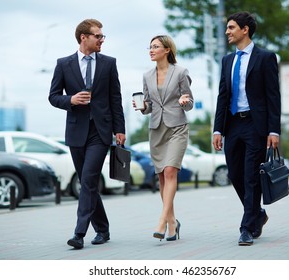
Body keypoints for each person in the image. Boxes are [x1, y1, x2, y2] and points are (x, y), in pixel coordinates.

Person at [48, 19, 126, 249]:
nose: (102, 40)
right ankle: (102, 229)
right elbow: (53, 96)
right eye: (98, 36)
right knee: (87, 181)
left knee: (89, 178)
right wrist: (70, 100)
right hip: (75, 131)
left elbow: (115, 98)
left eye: (103, 36)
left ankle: (79, 233)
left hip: (100, 131)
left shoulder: (109, 63)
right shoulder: (63, 64)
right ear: (84, 37)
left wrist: (119, 129)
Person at [212, 11, 281, 246]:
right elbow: (223, 96)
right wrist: (217, 129)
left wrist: (274, 131)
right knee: (235, 174)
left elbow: (273, 96)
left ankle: (246, 228)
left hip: (256, 124)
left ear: (245, 30)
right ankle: (258, 215)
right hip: (233, 124)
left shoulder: (265, 58)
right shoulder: (227, 60)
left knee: (251, 175)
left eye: (231, 27)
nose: (227, 32)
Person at [134, 35, 193, 241]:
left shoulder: (180, 72)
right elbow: (148, 104)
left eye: (156, 46)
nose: (151, 50)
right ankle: (173, 222)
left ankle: (162, 220)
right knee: (161, 176)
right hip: (156, 129)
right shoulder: (147, 75)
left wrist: (185, 101)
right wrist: (142, 107)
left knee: (170, 171)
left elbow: (189, 100)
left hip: (177, 126)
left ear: (167, 50)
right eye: (150, 47)